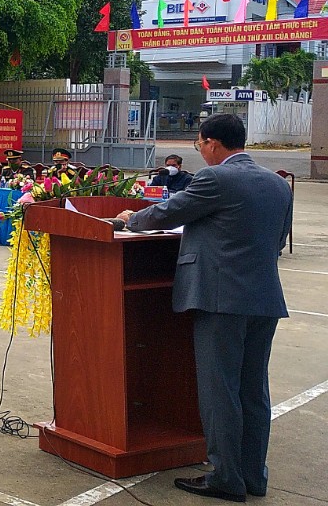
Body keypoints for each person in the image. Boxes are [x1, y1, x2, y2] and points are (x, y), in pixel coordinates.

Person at [116, 114, 290, 502]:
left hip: (220, 299)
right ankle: (252, 475)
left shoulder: (215, 179)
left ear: (211, 143)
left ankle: (226, 477)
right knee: (253, 390)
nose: (200, 152)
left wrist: (131, 220)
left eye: (199, 145)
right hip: (264, 299)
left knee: (220, 390)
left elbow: (166, 213)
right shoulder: (278, 184)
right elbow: (277, 241)